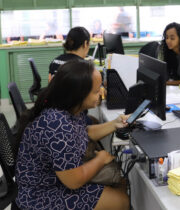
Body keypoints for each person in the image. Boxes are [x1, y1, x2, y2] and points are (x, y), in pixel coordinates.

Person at [15, 60, 129, 210]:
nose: (101, 93)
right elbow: (74, 181)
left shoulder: (70, 109)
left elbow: (82, 133)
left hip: (56, 181)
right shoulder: (57, 124)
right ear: (78, 94)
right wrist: (101, 159)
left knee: (122, 183)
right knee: (121, 201)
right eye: (95, 91)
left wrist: (114, 124)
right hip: (40, 196)